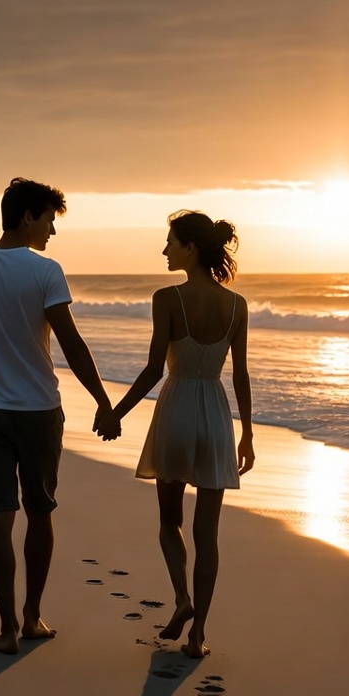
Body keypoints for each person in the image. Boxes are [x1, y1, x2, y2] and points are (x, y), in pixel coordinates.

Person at [0, 177, 114, 655]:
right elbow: (71, 344)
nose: (52, 232)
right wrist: (102, 400)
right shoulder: (46, 271)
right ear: (27, 217)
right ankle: (33, 616)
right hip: (39, 411)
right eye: (49, 220)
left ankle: (6, 630)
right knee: (40, 512)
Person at [96, 210, 255, 658]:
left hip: (177, 410)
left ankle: (182, 598)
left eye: (170, 243)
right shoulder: (237, 305)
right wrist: (247, 434)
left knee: (171, 521)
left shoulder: (167, 298)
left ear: (189, 247)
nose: (164, 250)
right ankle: (198, 634)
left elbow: (152, 370)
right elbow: (240, 374)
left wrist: (116, 414)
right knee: (209, 534)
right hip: (217, 415)